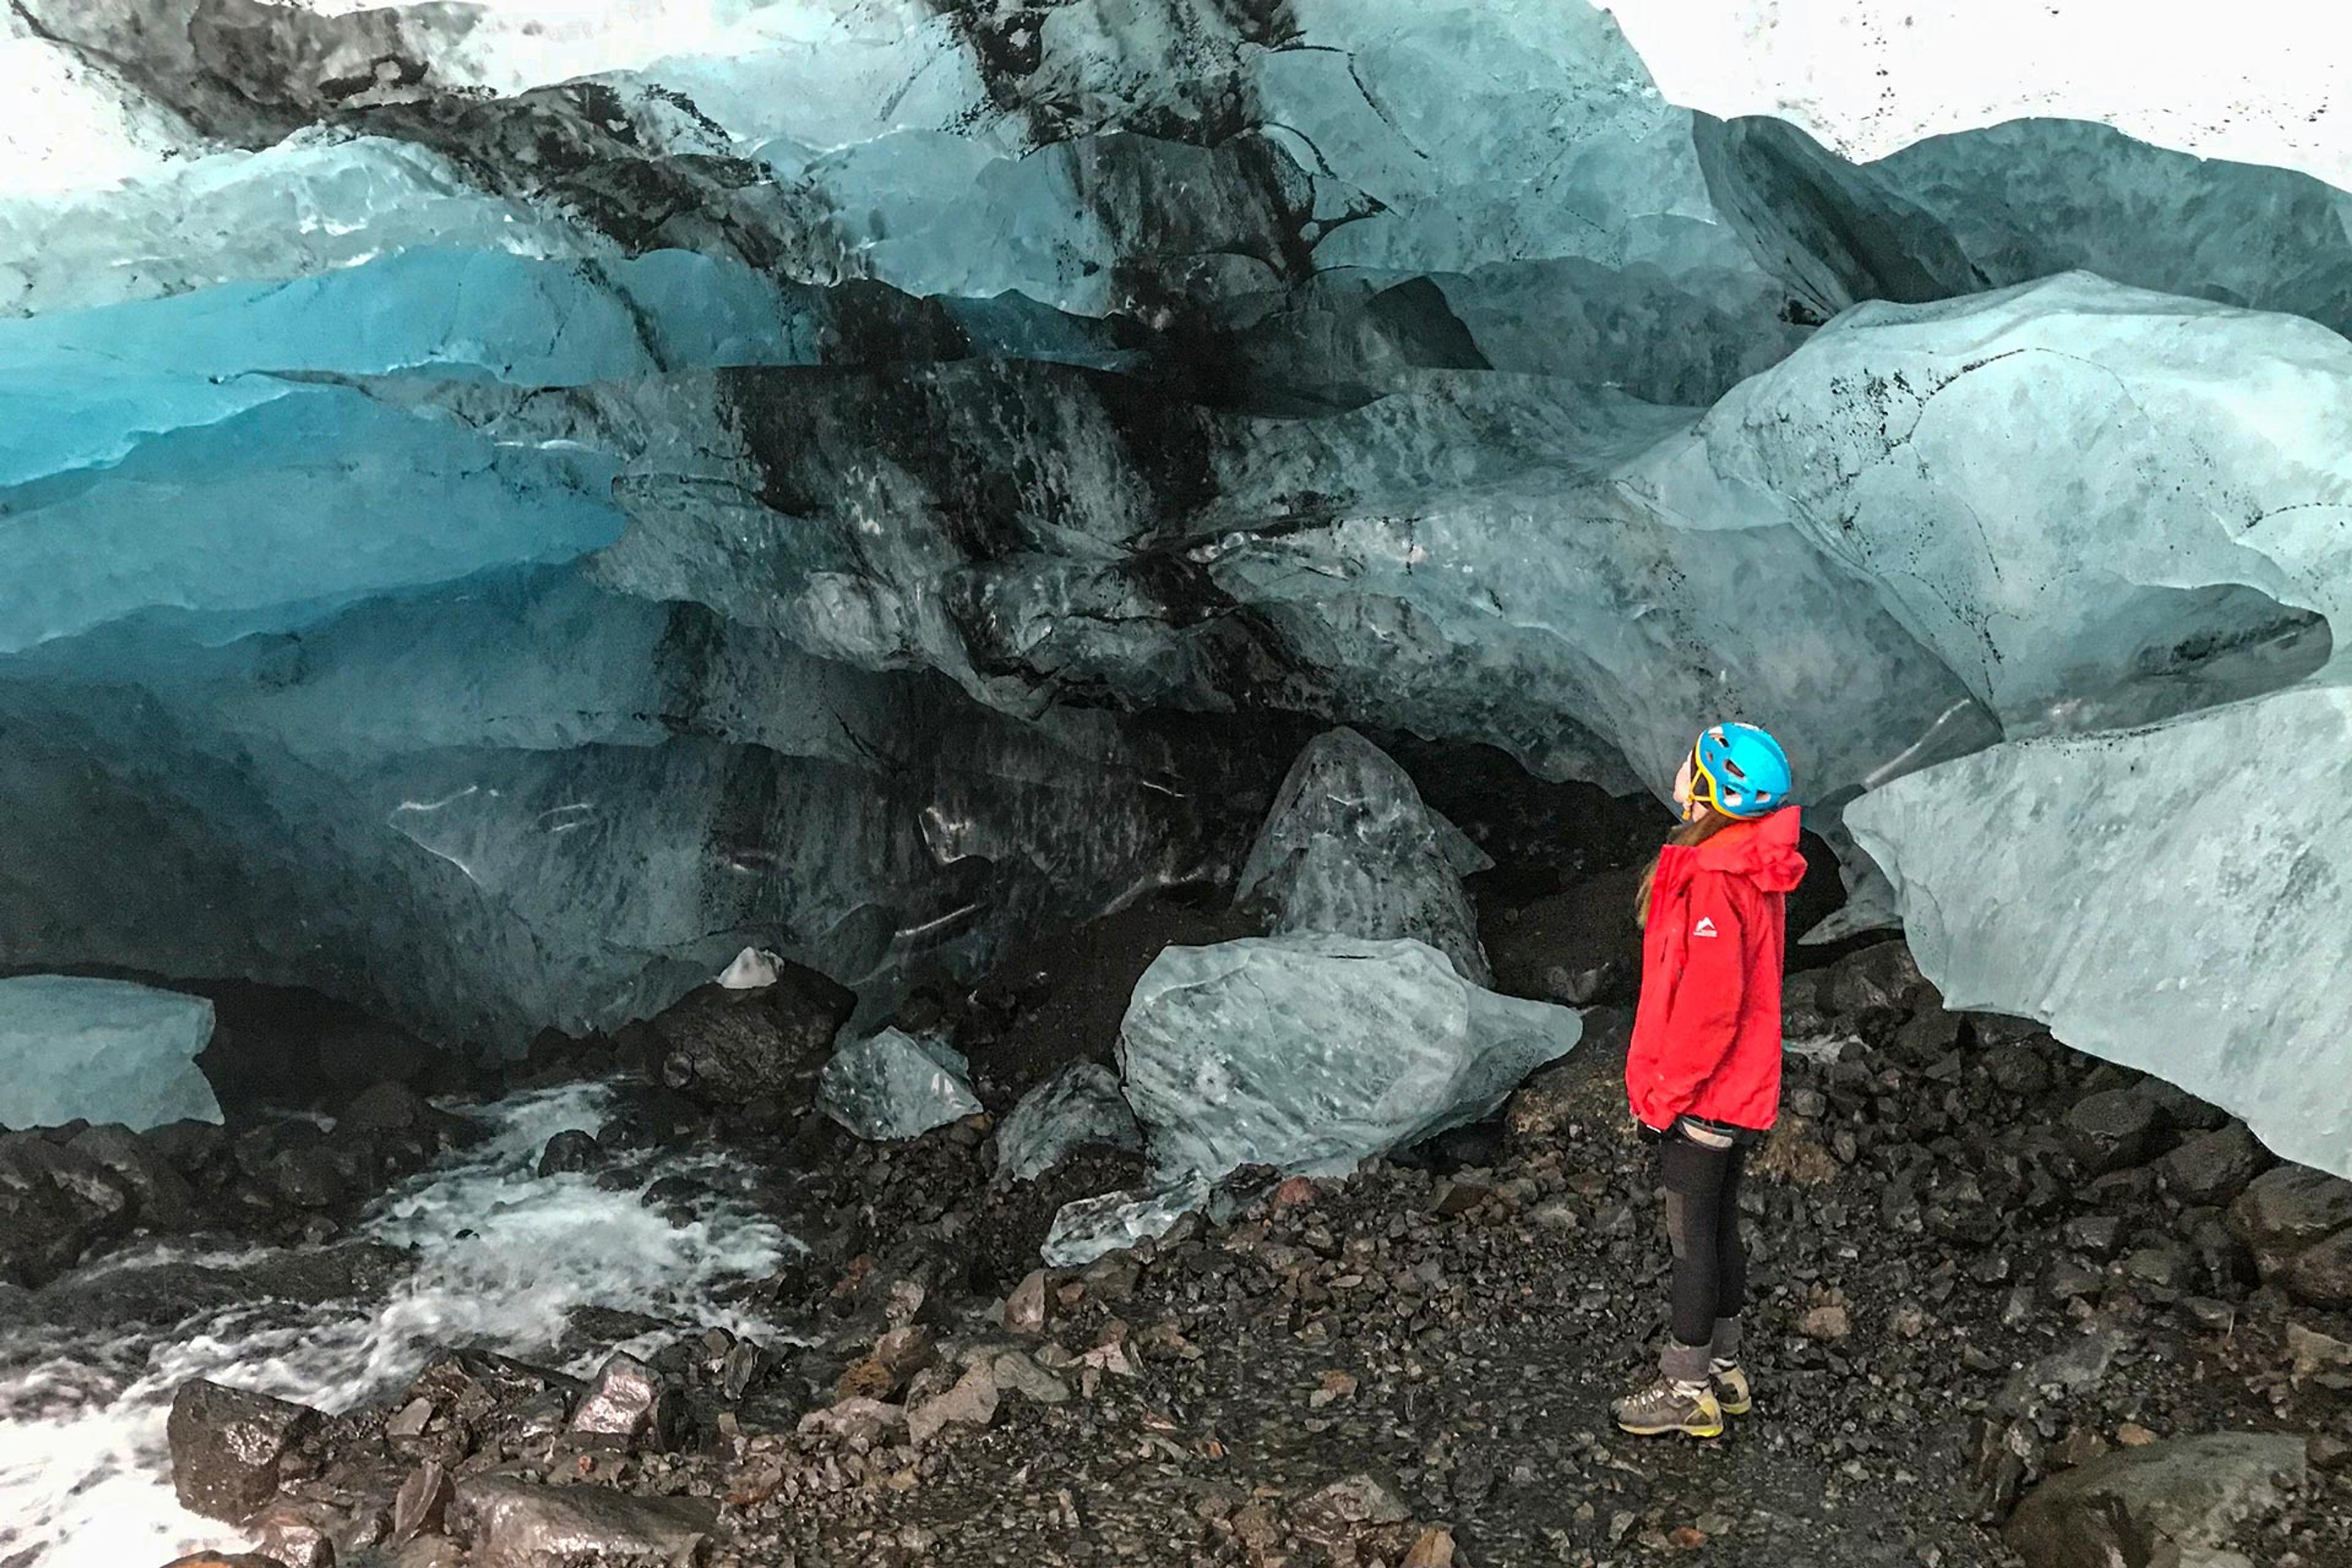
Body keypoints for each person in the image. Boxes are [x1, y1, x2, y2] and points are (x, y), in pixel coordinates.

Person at [1610, 722, 1806, 1439]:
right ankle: (1725, 1367)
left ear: (1714, 786)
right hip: (1736, 1090)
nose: (1680, 768)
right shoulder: (1743, 861)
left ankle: (1686, 1386)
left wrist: (1665, 1095)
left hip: (1706, 1096)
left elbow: (1709, 1009)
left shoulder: (1720, 878)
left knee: (1690, 1237)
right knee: (1721, 1225)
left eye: (1691, 763)